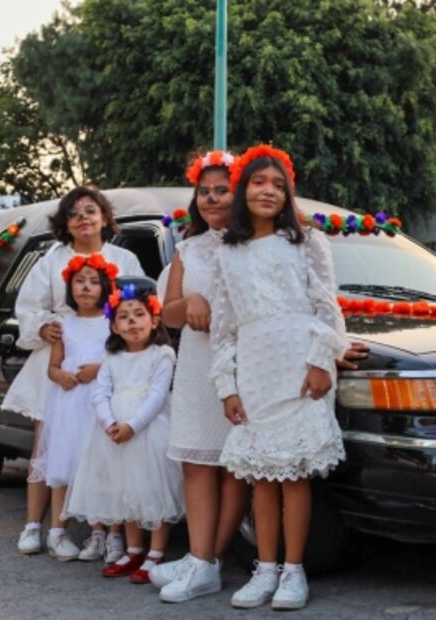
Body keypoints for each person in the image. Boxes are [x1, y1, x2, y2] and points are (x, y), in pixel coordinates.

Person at [209, 145, 348, 610]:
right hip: (254, 369)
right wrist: (226, 386)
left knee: (294, 477)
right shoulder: (226, 253)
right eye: (257, 182)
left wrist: (320, 361)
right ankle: (264, 569)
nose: (267, 191)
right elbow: (223, 327)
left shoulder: (306, 241)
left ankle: (293, 571)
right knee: (261, 478)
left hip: (298, 365)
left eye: (277, 184)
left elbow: (327, 305)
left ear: (288, 194)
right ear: (242, 191)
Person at [7, 186, 143, 561]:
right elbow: (28, 307)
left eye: (91, 210)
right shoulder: (53, 260)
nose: (84, 218)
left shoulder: (125, 258)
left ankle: (100, 531)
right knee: (48, 447)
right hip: (60, 361)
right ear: (65, 223)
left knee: (99, 446)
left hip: (107, 360)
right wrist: (45, 327)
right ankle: (35, 525)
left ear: (104, 217)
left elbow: (141, 307)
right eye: (75, 213)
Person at [151, 151, 250, 603]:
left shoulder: (255, 241)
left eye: (221, 190)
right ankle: (197, 556)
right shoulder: (188, 248)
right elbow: (168, 313)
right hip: (196, 363)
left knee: (232, 466)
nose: (211, 199)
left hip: (244, 362)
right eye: (204, 191)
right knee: (196, 461)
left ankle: (208, 561)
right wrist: (188, 303)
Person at [63, 279, 185, 584]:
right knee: (125, 492)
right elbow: (100, 393)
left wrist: (133, 425)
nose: (132, 322)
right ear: (114, 327)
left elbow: (157, 397)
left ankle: (155, 553)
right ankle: (133, 549)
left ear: (154, 319)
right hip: (115, 434)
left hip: (148, 432)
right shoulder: (112, 358)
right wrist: (109, 423)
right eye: (124, 317)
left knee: (153, 492)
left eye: (139, 314)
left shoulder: (162, 355)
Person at [30, 253, 116, 560]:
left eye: (94, 282)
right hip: (69, 404)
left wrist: (100, 368)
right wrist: (61, 375)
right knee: (62, 467)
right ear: (70, 288)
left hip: (98, 405)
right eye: (80, 281)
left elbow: (120, 359)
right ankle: (56, 531)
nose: (86, 287)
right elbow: (52, 367)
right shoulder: (63, 325)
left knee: (97, 468)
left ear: (105, 288)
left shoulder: (112, 322)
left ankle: (99, 533)